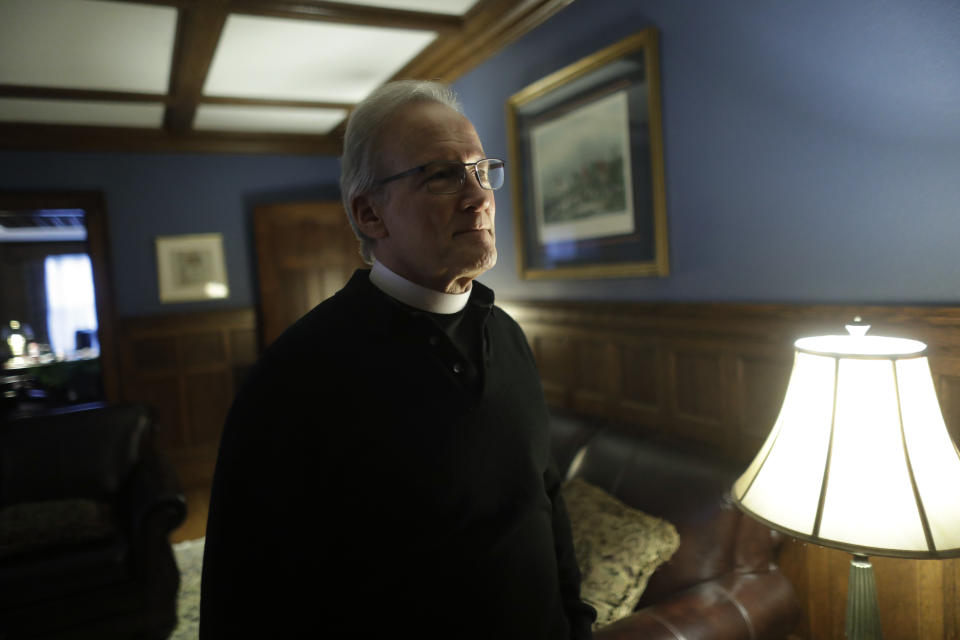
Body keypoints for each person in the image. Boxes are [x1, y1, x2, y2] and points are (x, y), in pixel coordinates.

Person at [199, 80, 595, 639]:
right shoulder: (296, 376)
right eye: (443, 175)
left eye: (482, 170)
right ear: (371, 215)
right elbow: (243, 598)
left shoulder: (507, 336)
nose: (479, 196)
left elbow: (544, 497)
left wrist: (577, 623)